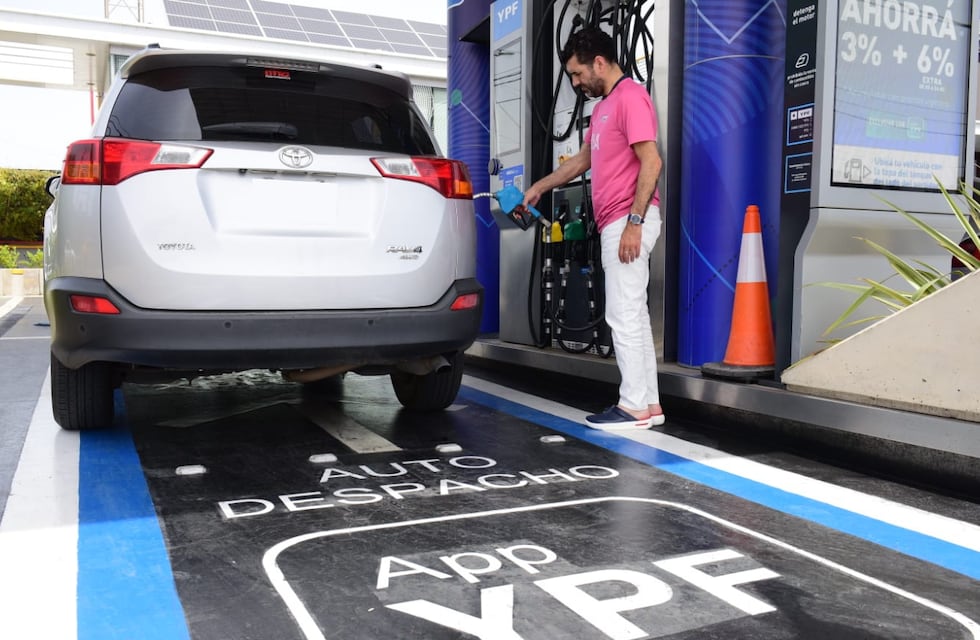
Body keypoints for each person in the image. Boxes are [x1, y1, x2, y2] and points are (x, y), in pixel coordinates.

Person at [522, 26, 664, 430]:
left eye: (577, 73)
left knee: (623, 314)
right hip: (617, 221)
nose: (575, 82)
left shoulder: (631, 97)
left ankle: (633, 404)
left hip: (628, 219)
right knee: (632, 314)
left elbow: (652, 162)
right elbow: (582, 161)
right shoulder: (603, 108)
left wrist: (634, 223)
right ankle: (648, 404)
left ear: (599, 62)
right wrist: (540, 187)